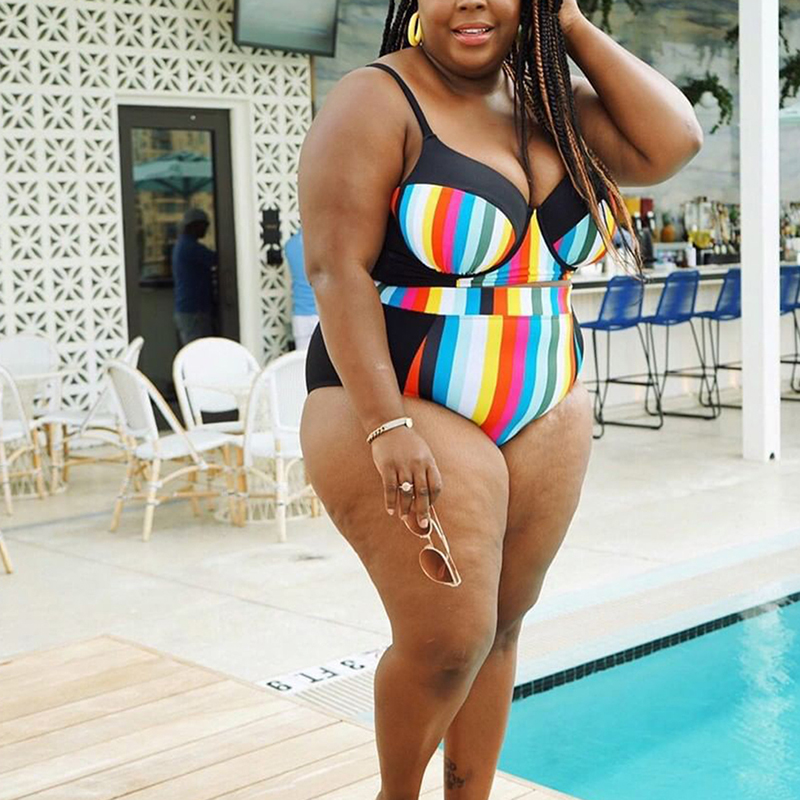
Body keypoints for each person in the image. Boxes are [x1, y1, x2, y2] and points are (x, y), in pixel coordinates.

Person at [298, 1, 702, 798]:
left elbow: (674, 141)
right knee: (449, 642)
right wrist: (386, 424)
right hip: (400, 395)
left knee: (503, 627)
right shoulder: (377, 98)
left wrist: (569, 22)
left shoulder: (552, 102)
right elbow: (334, 269)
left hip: (544, 395)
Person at [172, 207, 218, 345]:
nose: (206, 230)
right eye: (204, 226)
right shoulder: (190, 247)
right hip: (194, 311)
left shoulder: (182, 245)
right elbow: (218, 260)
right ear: (194, 226)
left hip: (188, 309)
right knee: (198, 350)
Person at [284, 228, 320, 350]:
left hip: (300, 315)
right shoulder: (320, 244)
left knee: (302, 358)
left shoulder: (290, 245)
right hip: (321, 313)